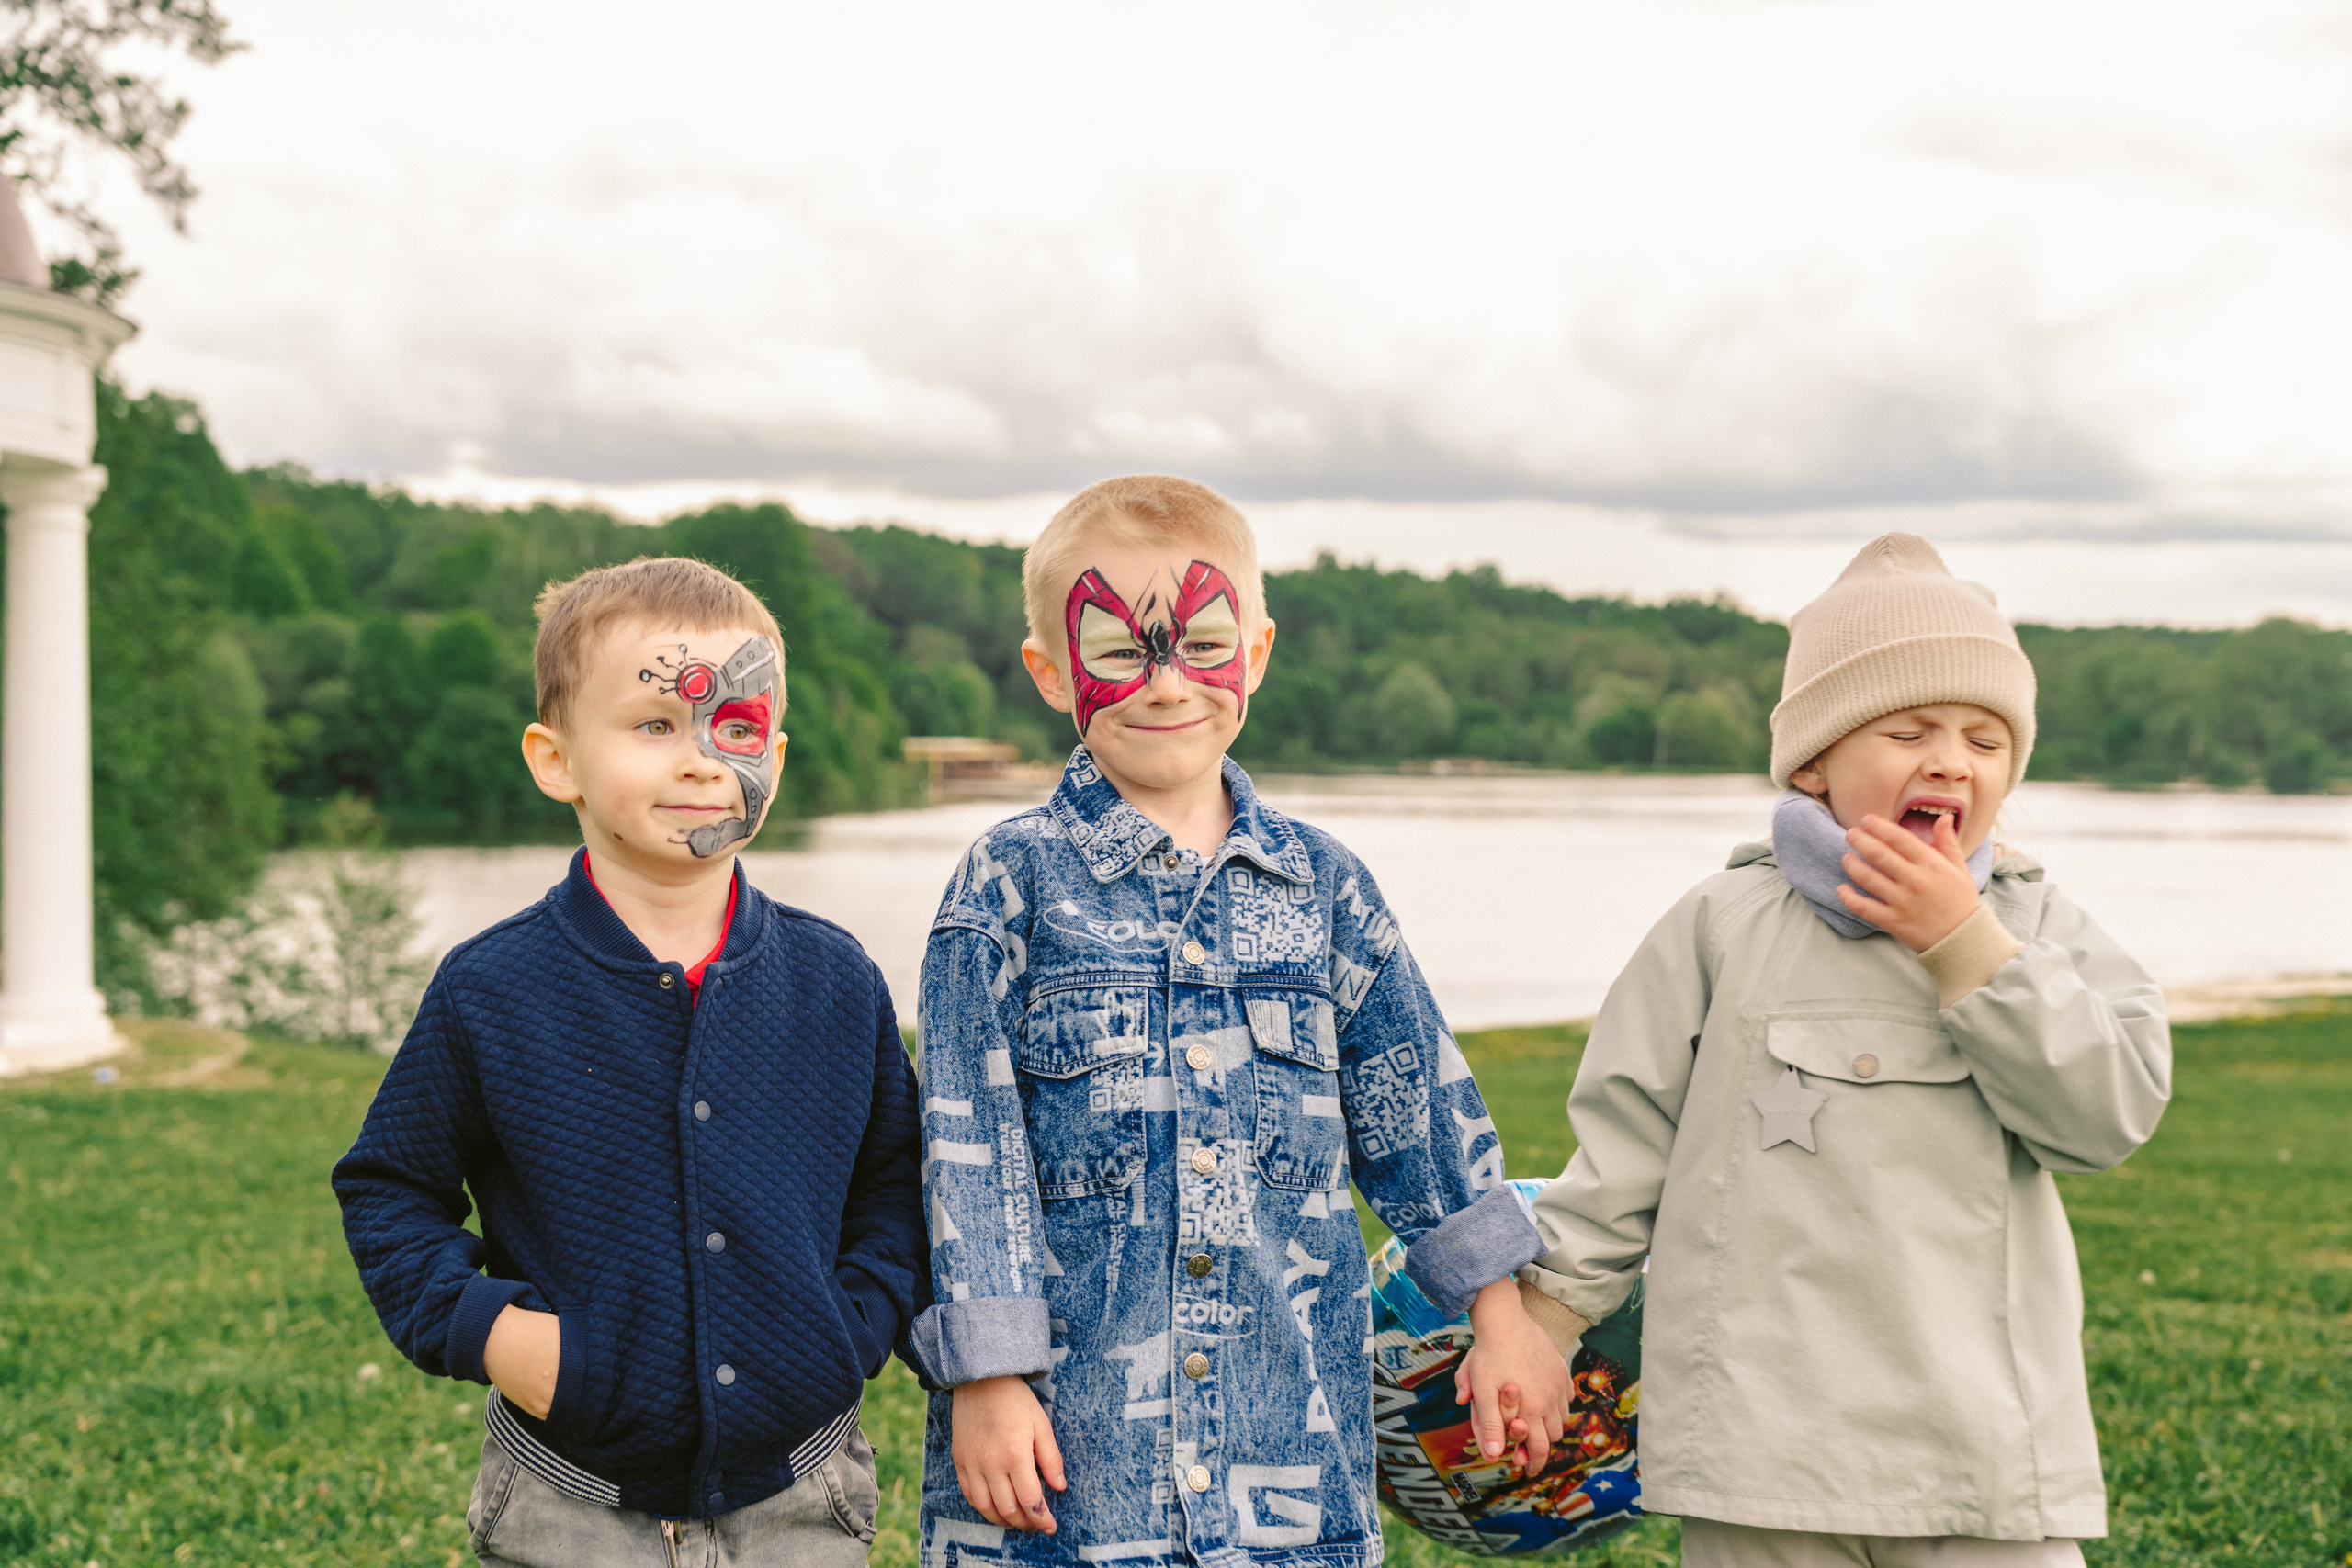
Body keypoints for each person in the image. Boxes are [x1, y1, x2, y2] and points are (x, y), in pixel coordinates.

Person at [904, 475, 1573, 1565]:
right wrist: (985, 1373)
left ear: (1256, 653)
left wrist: (1499, 1312)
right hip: (1070, 1487)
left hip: (1293, 1477)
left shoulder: (1325, 888)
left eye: (1202, 644)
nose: (1167, 683)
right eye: (1120, 652)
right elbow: (964, 1152)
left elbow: (1415, 1104)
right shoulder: (1008, 887)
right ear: (1047, 670)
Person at [1514, 535, 2172, 1567]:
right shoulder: (1719, 926)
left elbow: (2108, 1116)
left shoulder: (2039, 928)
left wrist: (1966, 947)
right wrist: (1547, 1319)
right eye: (1910, 729)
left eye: (1986, 741)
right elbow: (1621, 1147)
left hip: (1979, 1462)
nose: (1952, 760)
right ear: (1815, 760)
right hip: (1758, 1456)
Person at [333, 557, 922, 1566]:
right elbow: (389, 1189)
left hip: (803, 1497)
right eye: (655, 727)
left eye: (734, 731)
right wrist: (493, 1332)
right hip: (567, 1502)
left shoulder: (836, 980)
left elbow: (896, 1184)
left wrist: (850, 1325)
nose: (701, 762)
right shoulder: (491, 990)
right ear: (554, 759)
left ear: (774, 754)